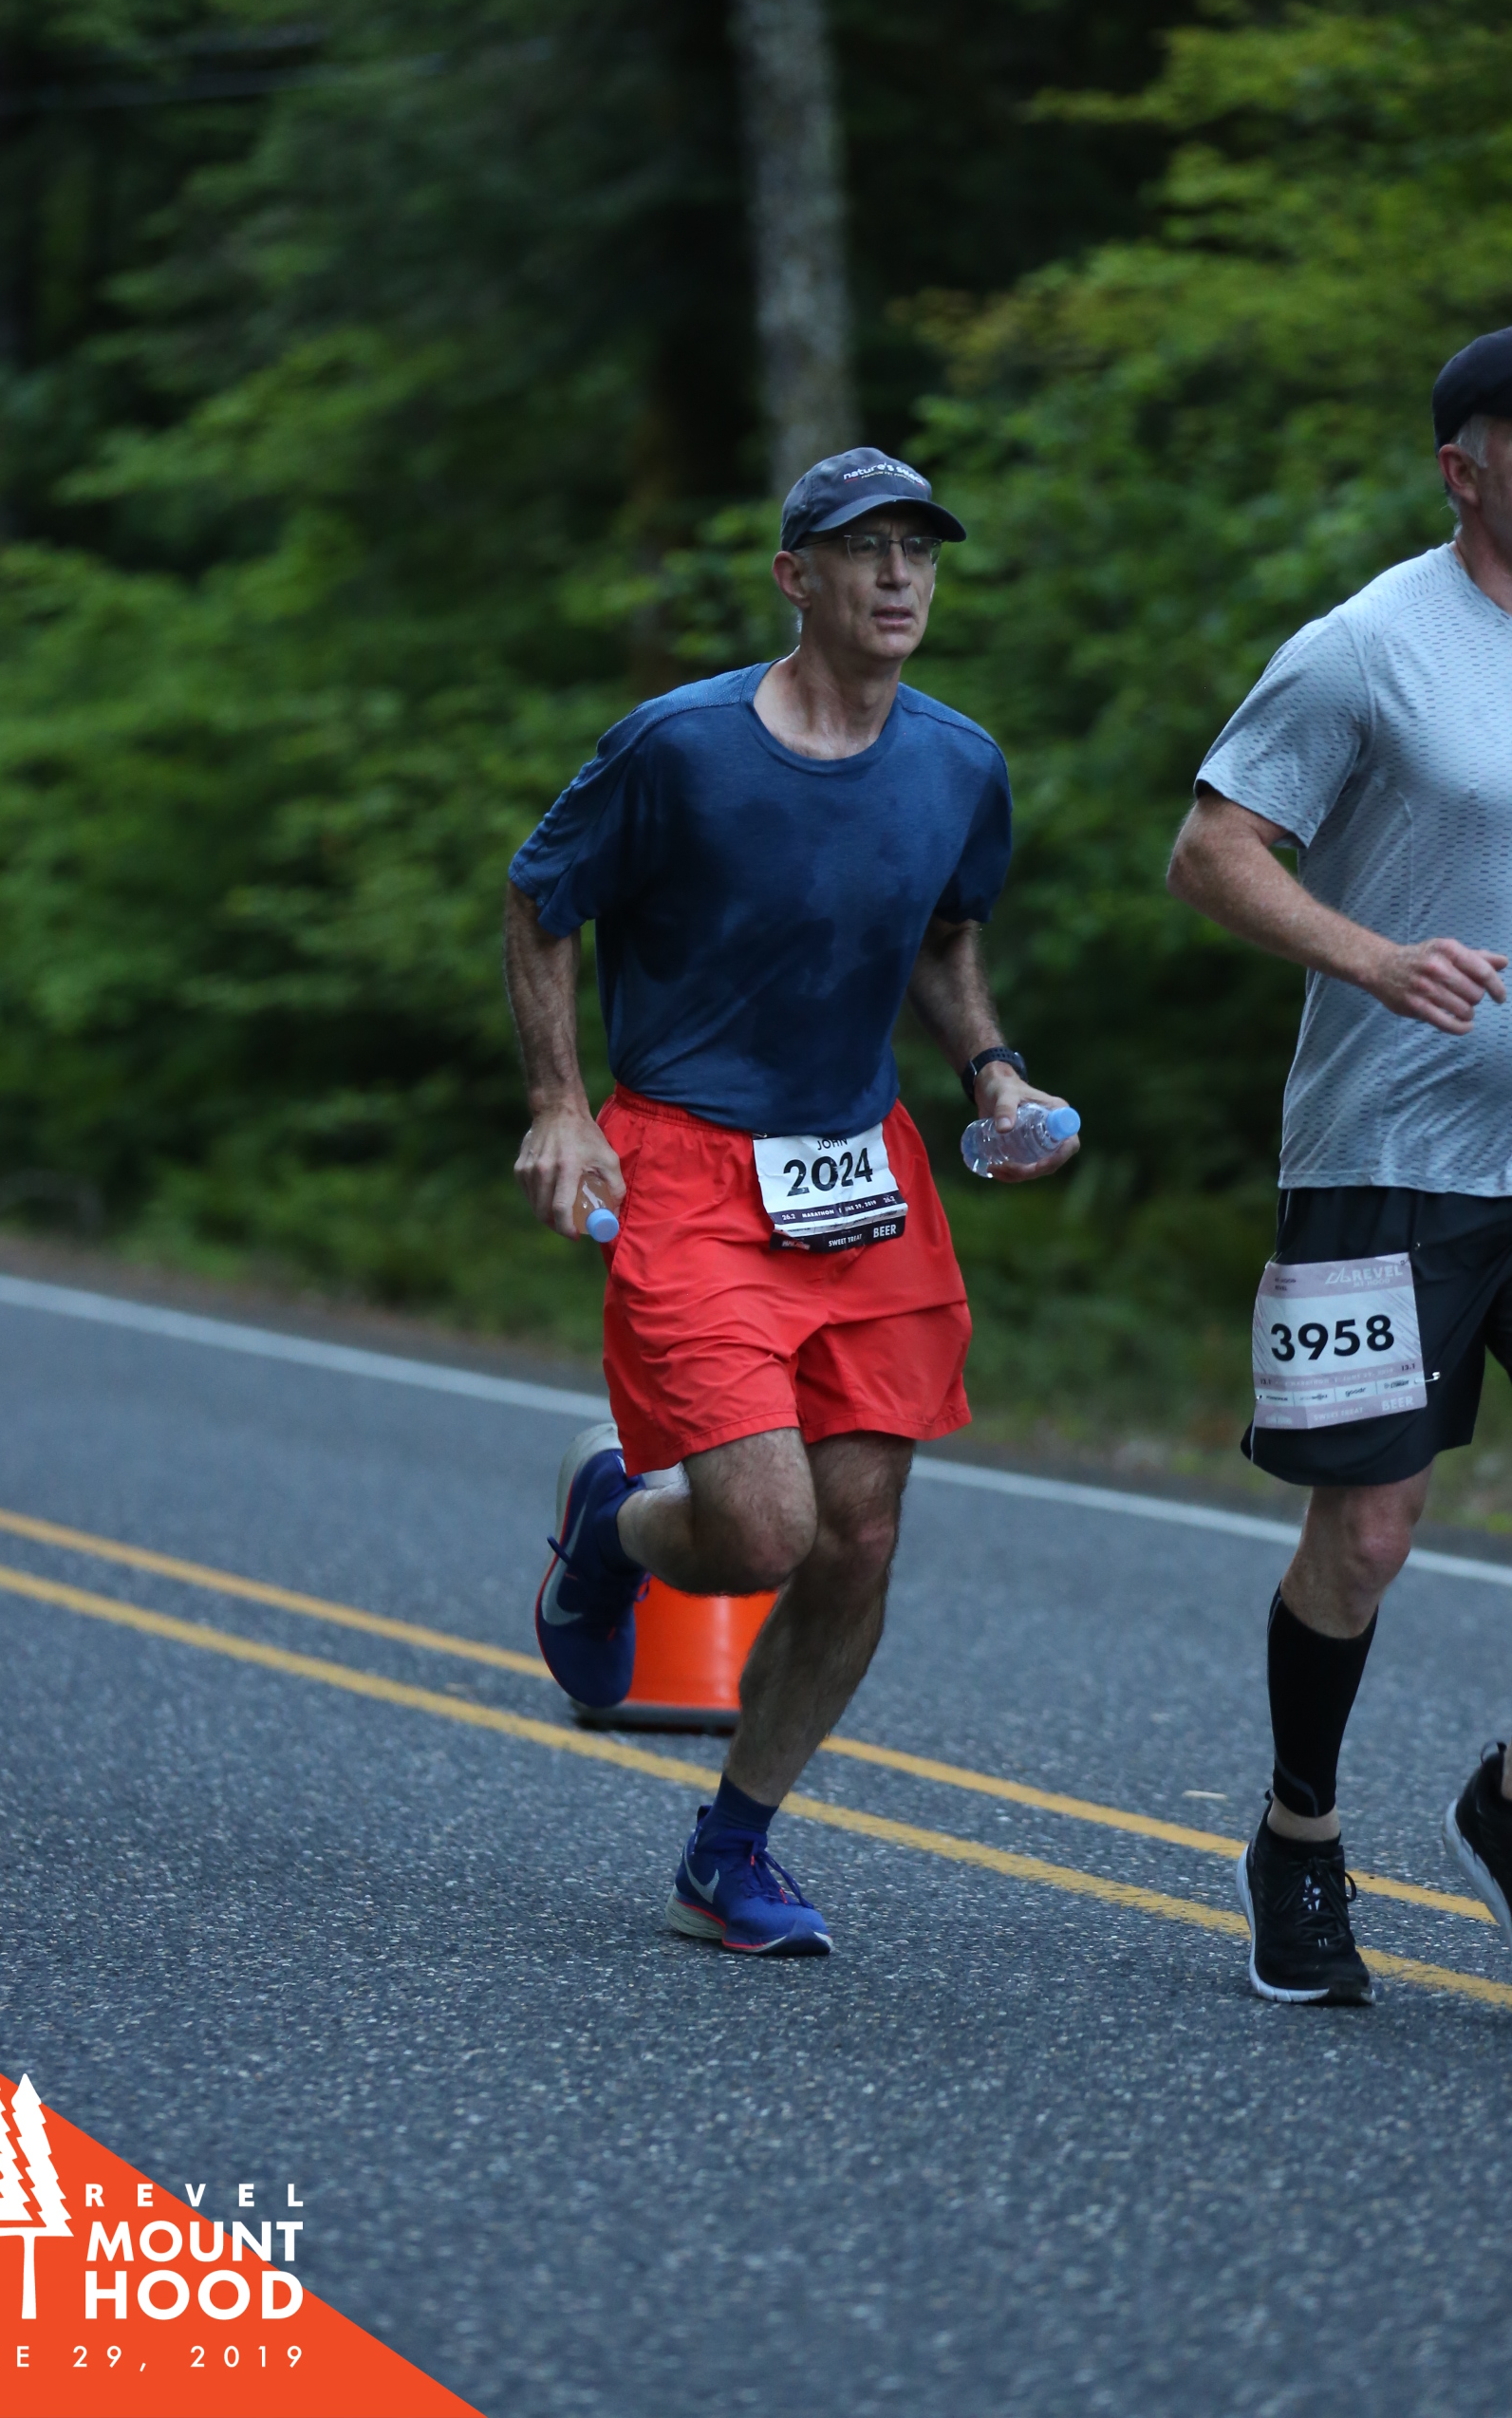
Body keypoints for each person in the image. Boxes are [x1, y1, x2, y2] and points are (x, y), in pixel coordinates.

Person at [504, 446, 1076, 1955]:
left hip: (862, 1168)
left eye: (920, 551)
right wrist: (561, 1104)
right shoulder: (679, 747)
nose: (899, 576)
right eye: (865, 548)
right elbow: (541, 898)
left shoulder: (958, 763)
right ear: (794, 576)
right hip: (689, 1163)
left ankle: (732, 1848)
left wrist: (994, 1076)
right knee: (764, 1532)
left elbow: (945, 938)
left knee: (860, 1535)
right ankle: (614, 1526)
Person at [1167, 323, 1512, 2006]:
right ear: (1463, 469)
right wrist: (1372, 957)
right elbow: (1212, 851)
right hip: (1383, 1155)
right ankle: (1299, 1835)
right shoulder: (1367, 649)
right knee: (1367, 1535)